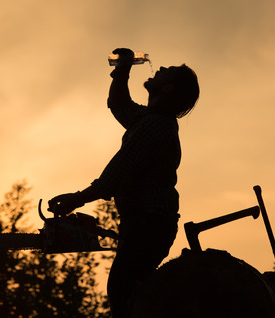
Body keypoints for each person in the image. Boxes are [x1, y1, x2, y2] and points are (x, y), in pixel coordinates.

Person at [48, 48, 199, 318]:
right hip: (146, 223)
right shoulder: (149, 120)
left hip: (149, 224)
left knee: (123, 292)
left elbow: (117, 173)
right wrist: (123, 71)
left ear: (168, 89)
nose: (161, 68)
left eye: (168, 71)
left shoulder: (155, 126)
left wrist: (77, 198)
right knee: (130, 293)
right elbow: (119, 105)